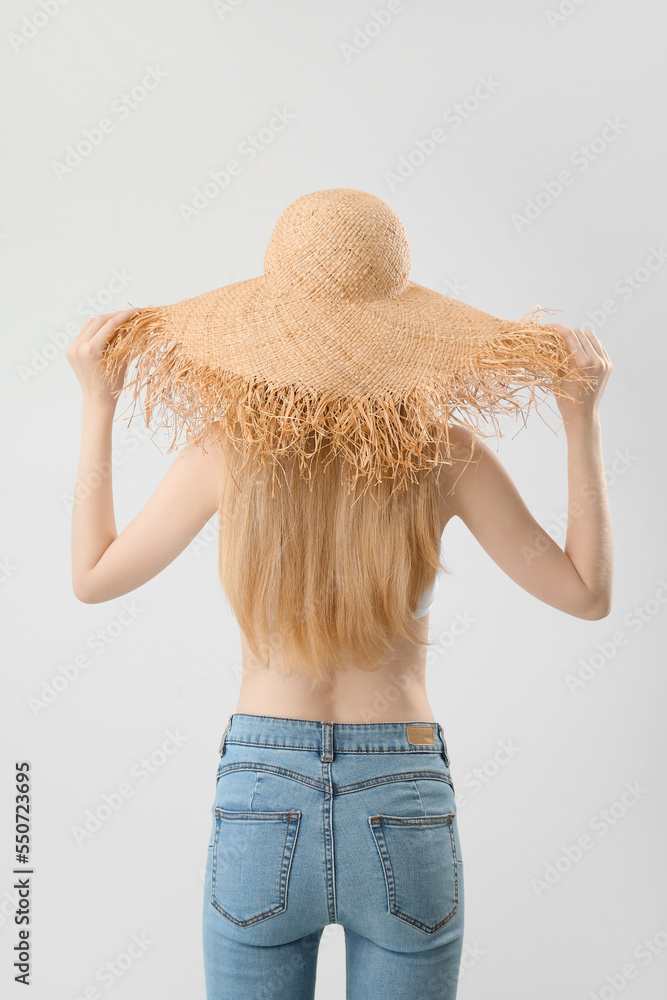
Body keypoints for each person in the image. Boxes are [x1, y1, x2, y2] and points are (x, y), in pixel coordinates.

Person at [67, 189, 612, 999]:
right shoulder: (443, 454)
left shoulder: (227, 452)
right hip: (403, 790)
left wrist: (98, 404)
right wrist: (579, 419)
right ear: (401, 329)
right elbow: (585, 593)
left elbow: (93, 577)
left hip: (261, 784)